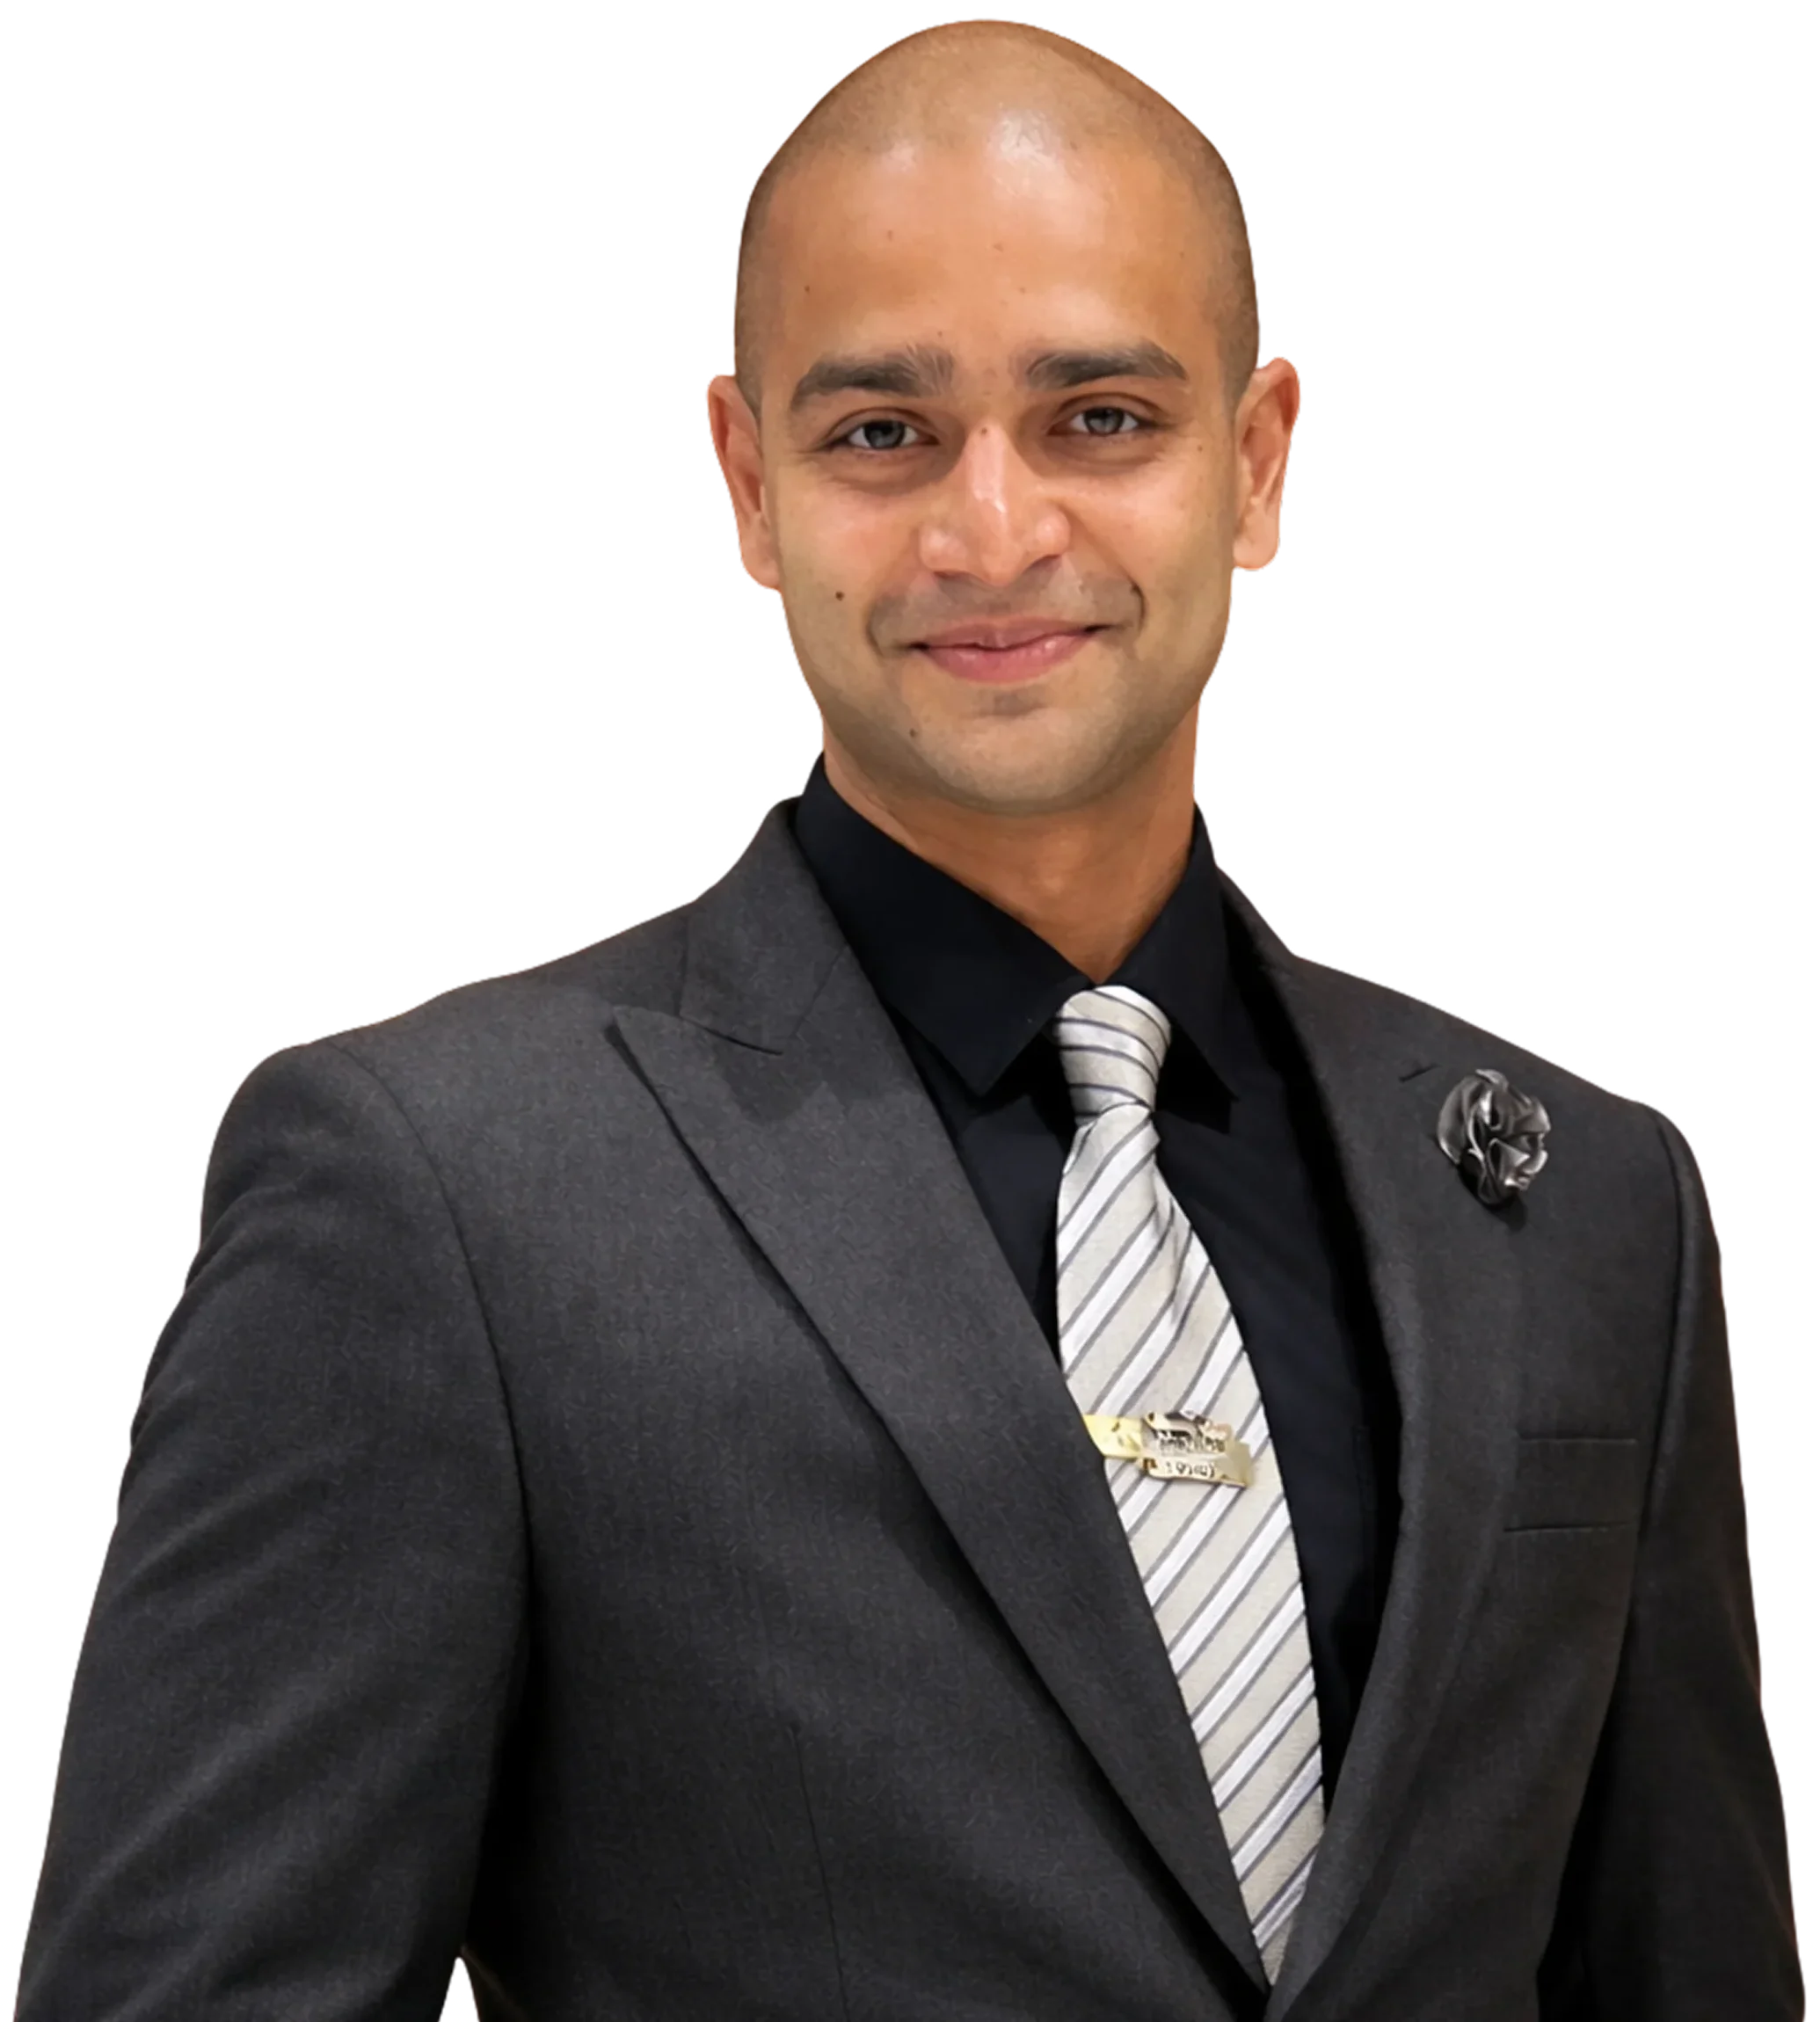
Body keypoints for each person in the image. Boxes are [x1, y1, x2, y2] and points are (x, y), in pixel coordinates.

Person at [15, 18, 1803, 2020]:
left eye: (1100, 418)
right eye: (883, 435)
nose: (992, 533)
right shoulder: (435, 1193)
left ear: (1260, 460)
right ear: (747, 482)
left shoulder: (1589, 1204)